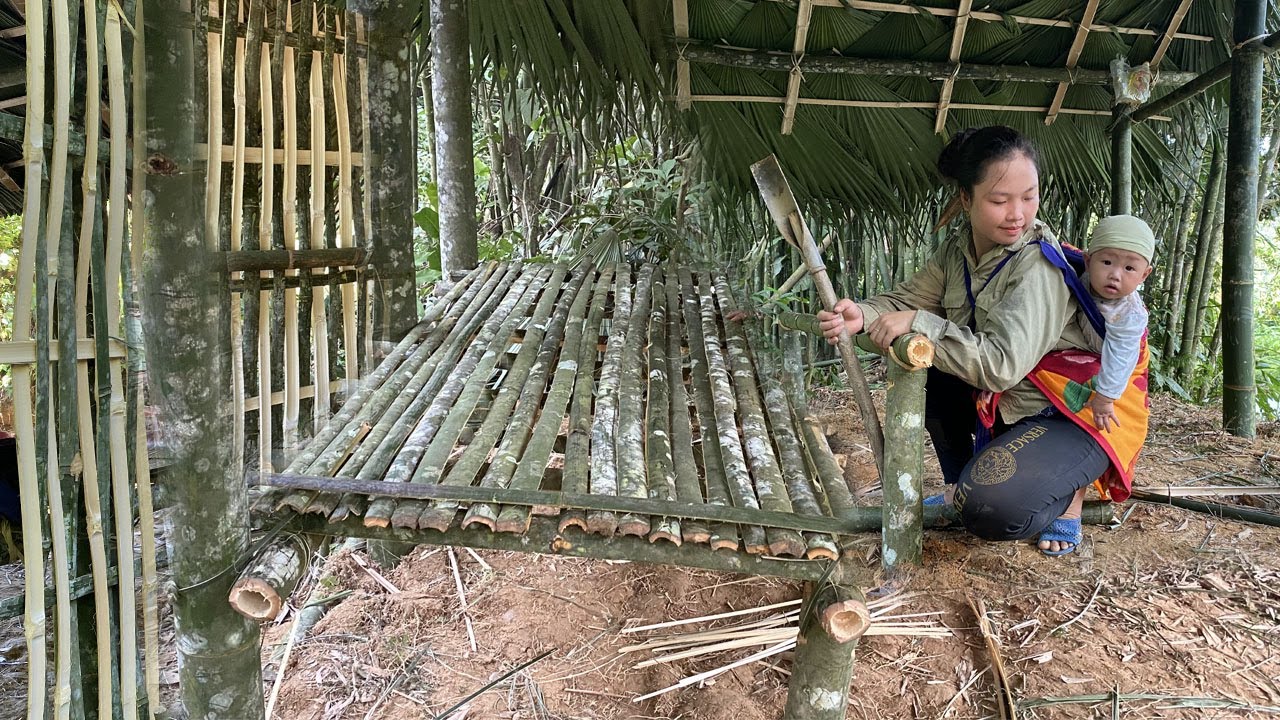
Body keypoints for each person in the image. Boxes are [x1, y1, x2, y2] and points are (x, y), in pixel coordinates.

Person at [817, 125, 1125, 556]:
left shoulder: (1038, 267)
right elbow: (908, 300)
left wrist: (920, 322)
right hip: (1006, 411)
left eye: (1029, 197)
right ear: (966, 199)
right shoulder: (958, 251)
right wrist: (862, 315)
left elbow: (1000, 367)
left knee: (989, 512)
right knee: (929, 365)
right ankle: (957, 484)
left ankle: (1070, 494)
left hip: (1068, 417)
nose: (1017, 214)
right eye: (1000, 201)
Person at [1079, 215, 1155, 433]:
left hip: (1106, 354)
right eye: (1107, 262)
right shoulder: (1075, 275)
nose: (1115, 275)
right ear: (1087, 261)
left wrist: (1104, 399)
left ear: (1144, 275)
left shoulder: (1129, 314)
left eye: (1129, 268)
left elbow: (1120, 359)